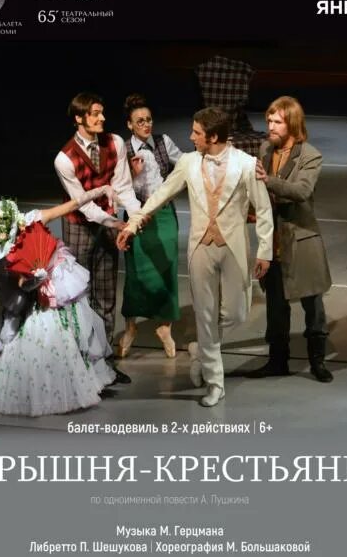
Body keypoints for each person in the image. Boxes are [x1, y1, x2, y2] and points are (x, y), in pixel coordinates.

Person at [117, 107, 274, 407]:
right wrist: (134, 222)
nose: (191, 137)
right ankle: (215, 383)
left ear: (213, 137)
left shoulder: (246, 164)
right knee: (205, 315)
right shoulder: (188, 163)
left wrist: (265, 251)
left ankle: (200, 349)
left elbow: (264, 210)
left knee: (237, 313)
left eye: (197, 133)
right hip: (201, 247)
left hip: (233, 247)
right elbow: (161, 194)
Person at [0, 188, 117, 416]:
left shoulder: (33, 220)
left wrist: (100, 190)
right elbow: (21, 284)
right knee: (42, 338)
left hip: (57, 281)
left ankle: (83, 378)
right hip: (36, 295)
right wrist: (35, 281)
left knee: (76, 329)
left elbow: (72, 204)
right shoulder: (10, 256)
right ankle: (43, 391)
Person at [54, 92, 141, 384]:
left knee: (105, 296)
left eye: (101, 112)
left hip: (108, 224)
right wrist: (116, 223)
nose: (102, 118)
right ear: (79, 119)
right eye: (94, 114)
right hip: (80, 227)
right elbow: (84, 205)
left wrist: (135, 216)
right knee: (79, 297)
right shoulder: (64, 159)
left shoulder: (114, 142)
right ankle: (79, 364)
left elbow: (123, 186)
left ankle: (105, 364)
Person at [248, 96, 333, 382]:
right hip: (273, 240)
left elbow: (301, 191)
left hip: (301, 239)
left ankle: (318, 361)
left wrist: (267, 180)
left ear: (292, 124)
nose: (270, 126)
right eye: (269, 120)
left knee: (313, 304)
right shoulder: (265, 149)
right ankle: (277, 361)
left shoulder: (310, 155)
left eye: (277, 122)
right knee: (275, 305)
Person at [118, 93, 183, 359]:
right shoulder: (123, 149)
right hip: (137, 214)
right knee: (136, 273)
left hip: (164, 214)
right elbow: (117, 190)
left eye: (149, 120)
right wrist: (132, 174)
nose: (146, 124)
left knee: (167, 267)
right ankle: (131, 327)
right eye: (140, 121)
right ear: (130, 125)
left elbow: (185, 164)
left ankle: (165, 327)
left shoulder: (163, 142)